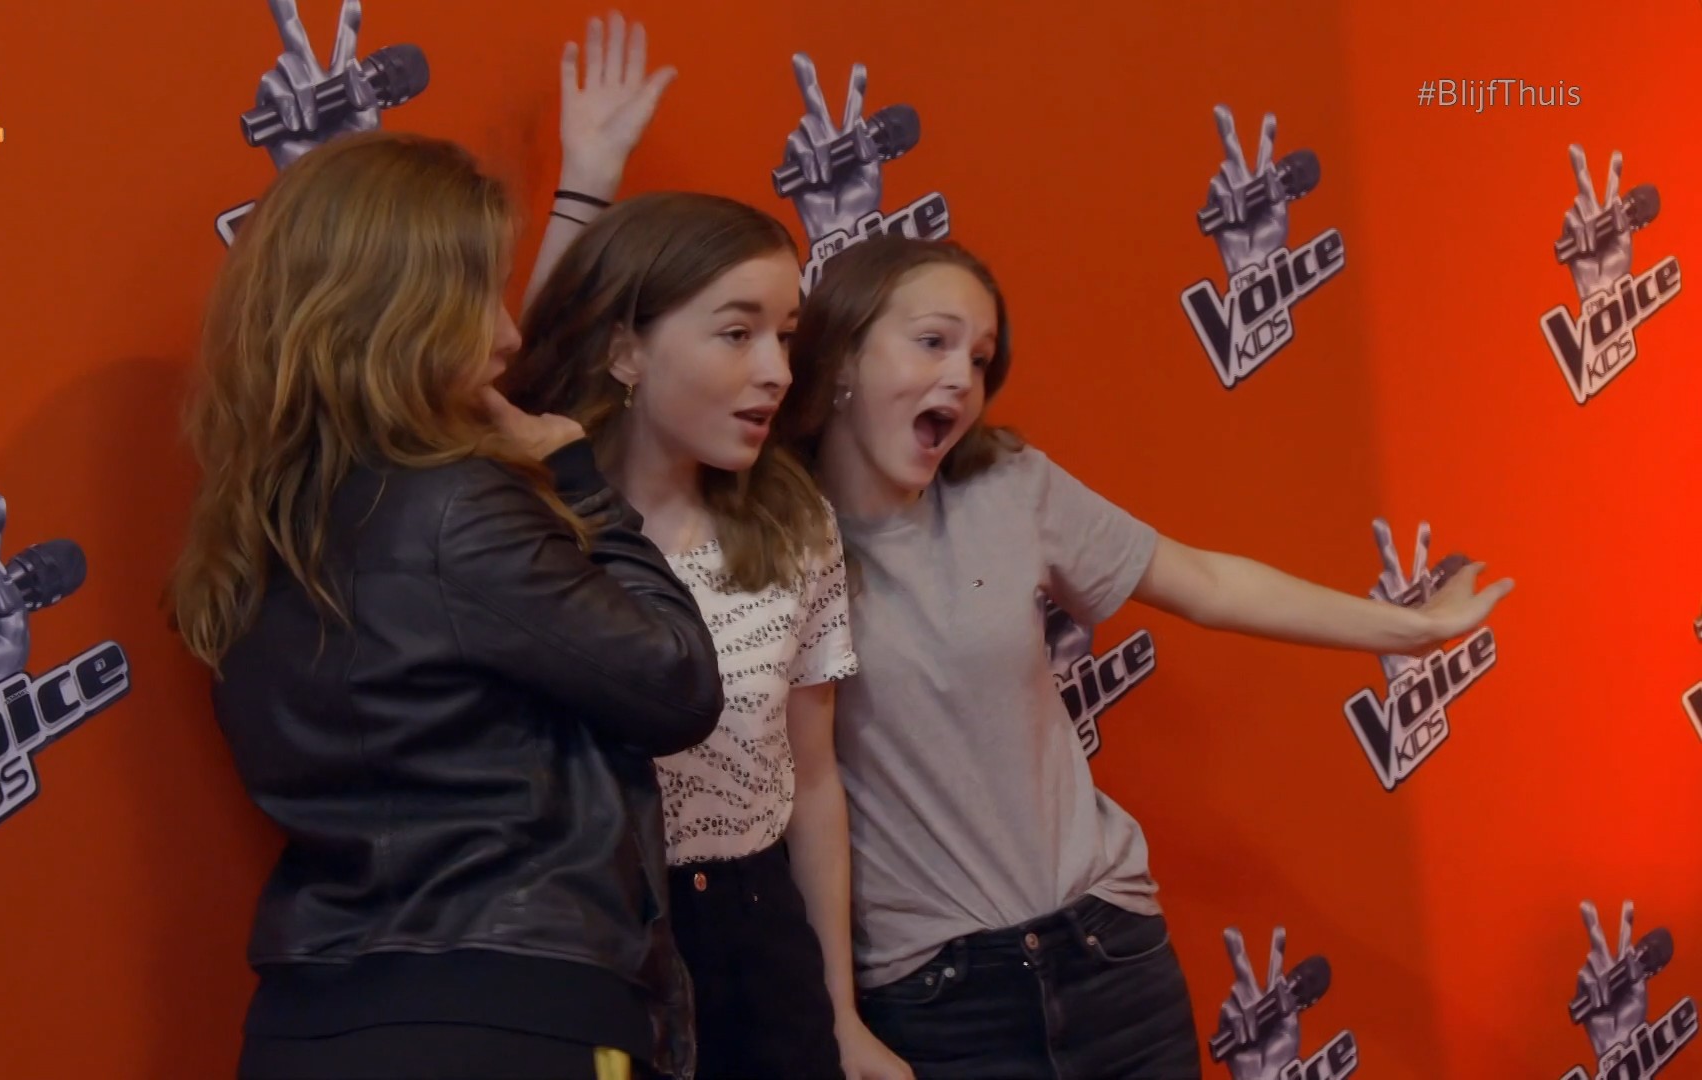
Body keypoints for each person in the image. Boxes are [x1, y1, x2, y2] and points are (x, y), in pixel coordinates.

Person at [783, 236, 1514, 1079]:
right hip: (936, 1000)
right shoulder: (776, 540)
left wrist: (1409, 630)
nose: (960, 378)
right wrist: (837, 1015)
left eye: (979, 360)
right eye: (932, 341)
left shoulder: (1008, 485)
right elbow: (809, 791)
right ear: (843, 355)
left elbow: (1204, 581)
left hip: (1111, 957)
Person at [166, 115, 725, 1080]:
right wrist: (583, 484)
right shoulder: (455, 510)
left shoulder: (250, 526)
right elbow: (677, 686)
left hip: (311, 1027)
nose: (509, 336)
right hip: (505, 1017)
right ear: (401, 313)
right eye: (480, 298)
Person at [500, 191, 906, 1080]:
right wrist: (584, 179)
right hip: (592, 948)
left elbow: (812, 778)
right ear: (625, 349)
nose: (776, 371)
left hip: (759, 940)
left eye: (785, 337)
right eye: (737, 333)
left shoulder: (793, 521)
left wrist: (840, 1012)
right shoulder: (526, 530)